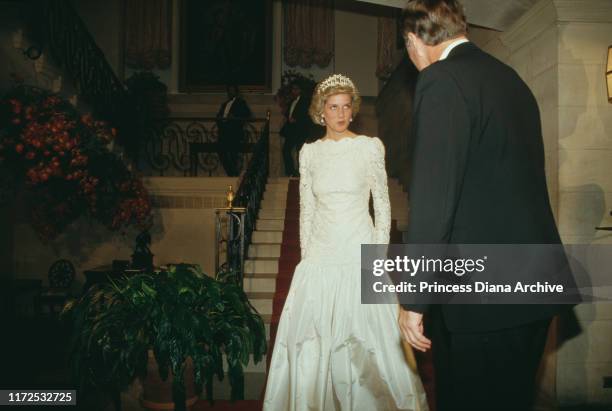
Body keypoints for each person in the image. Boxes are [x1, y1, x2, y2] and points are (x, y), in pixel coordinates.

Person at [398, 1, 572, 410]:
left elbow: (434, 201)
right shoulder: (511, 79)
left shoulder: (441, 80)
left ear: (414, 40)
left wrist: (414, 299)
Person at [263, 74, 429, 411]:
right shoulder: (309, 153)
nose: (340, 113)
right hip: (321, 256)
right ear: (320, 111)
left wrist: (377, 258)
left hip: (359, 253)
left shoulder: (369, 147)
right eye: (332, 107)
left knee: (369, 348)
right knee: (314, 344)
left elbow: (382, 206)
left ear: (353, 111)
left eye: (345, 106)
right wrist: (307, 257)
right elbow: (306, 210)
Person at [216, 84, 251, 176]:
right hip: (223, 133)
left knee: (233, 155)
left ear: (236, 92)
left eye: (232, 90)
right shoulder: (224, 104)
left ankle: (233, 175)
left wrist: (235, 117)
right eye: (229, 90)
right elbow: (218, 116)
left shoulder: (241, 103)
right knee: (222, 153)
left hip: (234, 133)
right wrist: (221, 120)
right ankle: (232, 174)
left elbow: (247, 115)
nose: (230, 92)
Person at [280, 82, 310, 176]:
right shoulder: (292, 101)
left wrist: (296, 120)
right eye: (293, 89)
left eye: (296, 89)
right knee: (286, 150)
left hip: (300, 130)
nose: (294, 91)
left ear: (300, 90)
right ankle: (290, 171)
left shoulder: (305, 101)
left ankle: (301, 173)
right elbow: (289, 113)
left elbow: (306, 116)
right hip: (291, 131)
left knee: (299, 152)